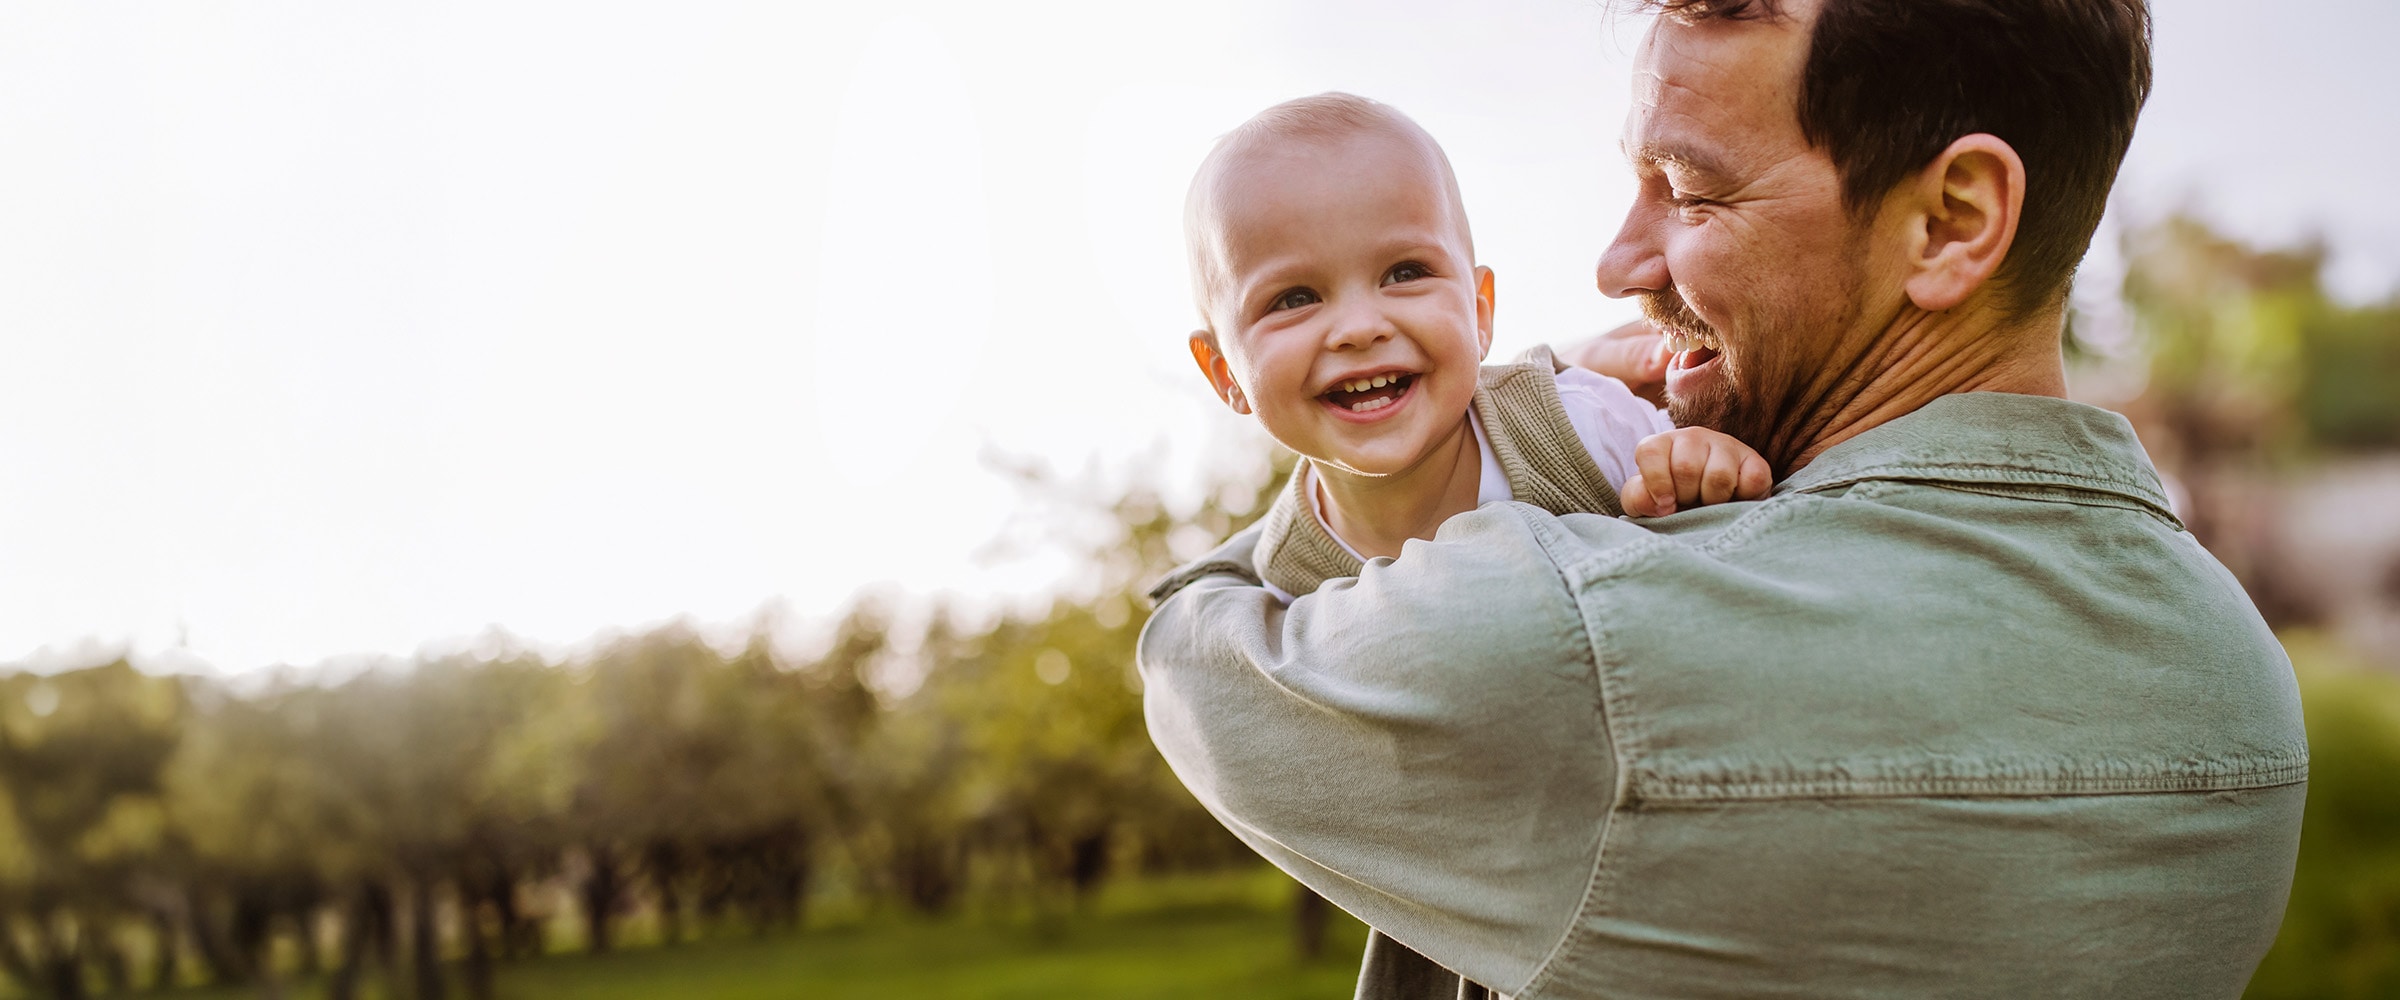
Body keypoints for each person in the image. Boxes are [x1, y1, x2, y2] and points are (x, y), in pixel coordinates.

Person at [1136, 2, 2308, 998]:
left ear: (1950, 221)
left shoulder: (1569, 635)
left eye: (1690, 193)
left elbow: (1193, 647)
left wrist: (1490, 421)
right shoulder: (2239, 679)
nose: (1618, 262)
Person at [1180, 93, 1772, 601]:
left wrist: (1699, 465)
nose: (1360, 328)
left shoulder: (1575, 425)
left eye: (1405, 272)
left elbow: (1722, 527)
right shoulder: (1287, 573)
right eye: (1293, 299)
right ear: (1225, 372)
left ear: (1480, 311)